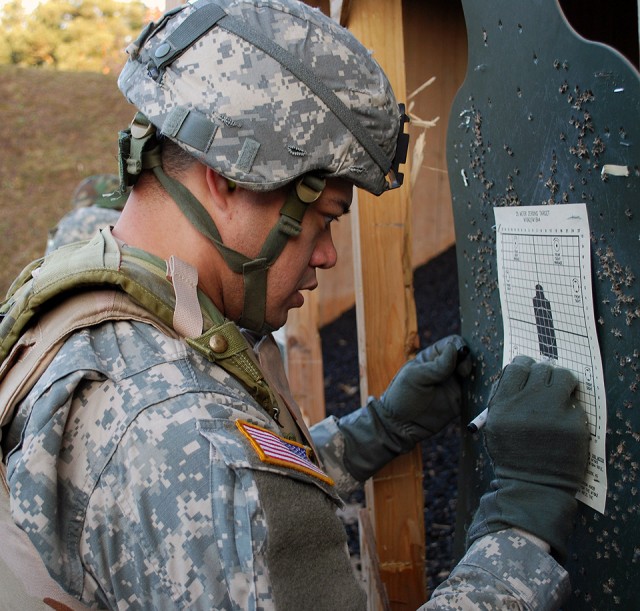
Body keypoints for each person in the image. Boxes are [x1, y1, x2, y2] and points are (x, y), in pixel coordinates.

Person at [0, 1, 588, 609]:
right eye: (323, 218)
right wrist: (522, 521)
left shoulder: (94, 306)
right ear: (229, 180)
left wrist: (377, 431)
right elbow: (217, 491)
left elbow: (206, 521)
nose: (328, 256)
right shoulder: (183, 427)